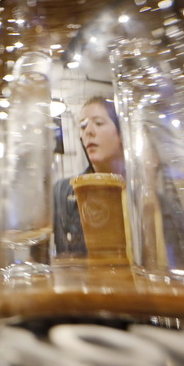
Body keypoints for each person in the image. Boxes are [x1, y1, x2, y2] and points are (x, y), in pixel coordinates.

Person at [53, 96, 125, 258]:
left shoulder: (141, 192)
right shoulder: (63, 191)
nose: (88, 131)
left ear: (121, 133)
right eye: (83, 126)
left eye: (98, 123)